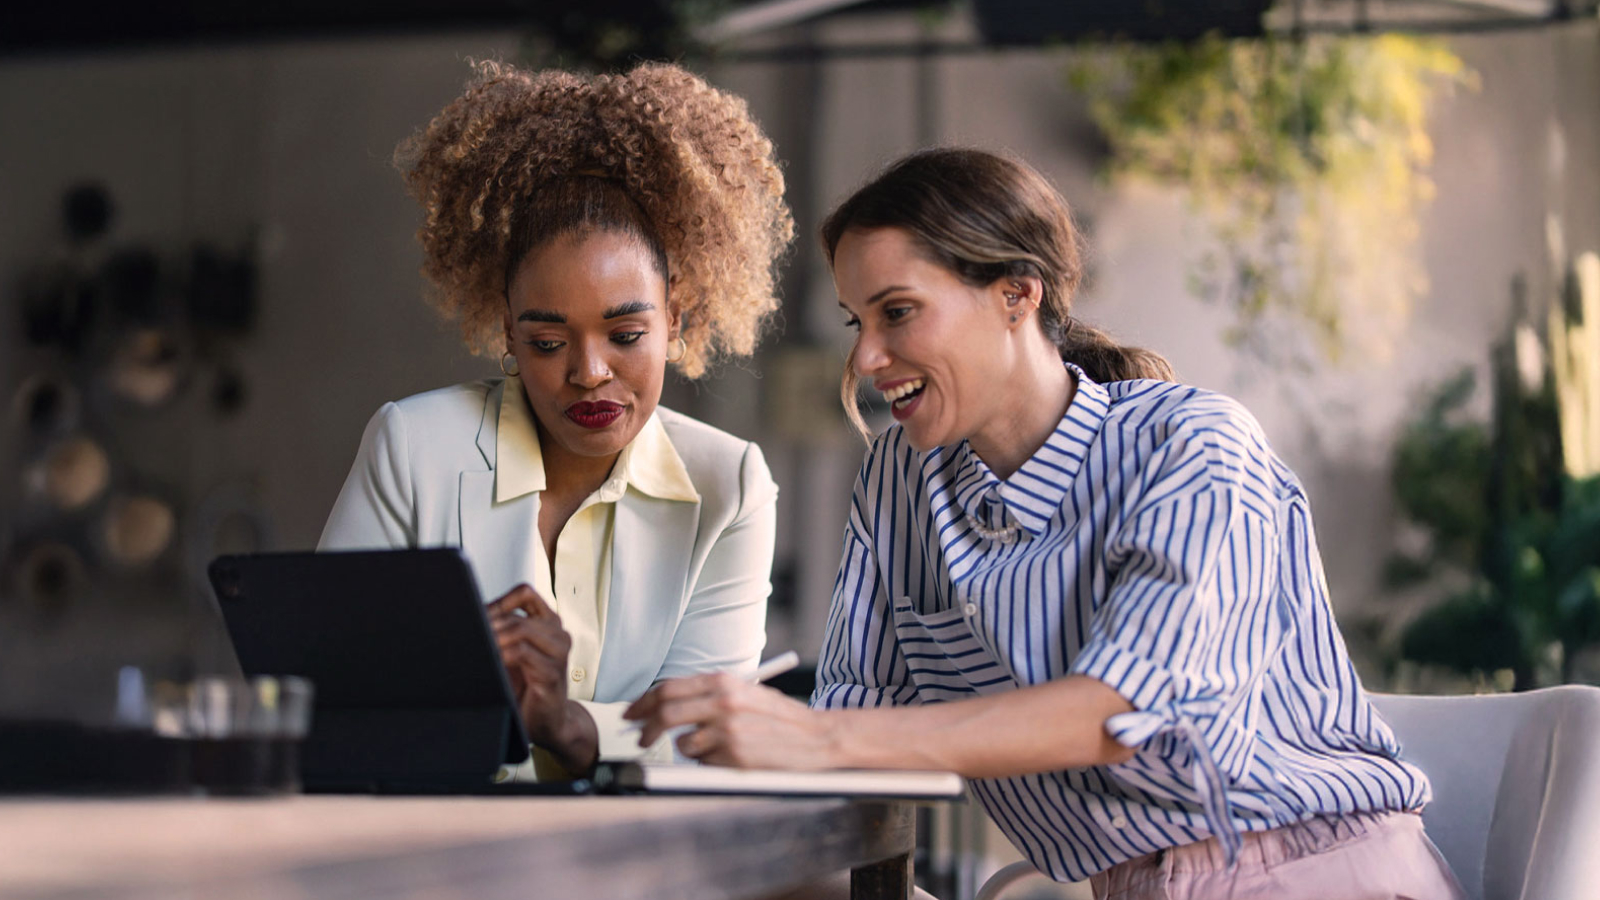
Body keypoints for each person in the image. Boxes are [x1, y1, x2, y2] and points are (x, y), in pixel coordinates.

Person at [626, 148, 1465, 898]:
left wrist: (815, 738)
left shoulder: (1193, 446)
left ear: (1016, 294)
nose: (867, 359)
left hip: (1311, 873)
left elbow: (1119, 716)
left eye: (898, 312)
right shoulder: (896, 480)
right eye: (858, 321)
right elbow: (862, 722)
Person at [320, 60, 793, 780]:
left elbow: (702, 749)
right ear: (505, 332)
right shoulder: (413, 449)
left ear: (677, 319)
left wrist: (569, 727)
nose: (589, 371)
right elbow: (326, 695)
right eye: (546, 342)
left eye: (627, 336)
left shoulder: (729, 486)